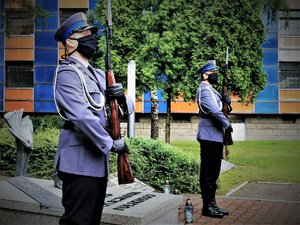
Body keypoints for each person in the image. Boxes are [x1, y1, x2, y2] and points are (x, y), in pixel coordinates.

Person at [53, 12, 134, 225]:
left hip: (98, 163)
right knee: (77, 221)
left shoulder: (98, 73)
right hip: (78, 163)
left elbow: (128, 107)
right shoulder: (67, 74)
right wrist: (110, 144)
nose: (91, 38)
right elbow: (81, 117)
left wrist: (121, 98)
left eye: (91, 33)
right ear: (70, 42)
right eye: (85, 33)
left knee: (92, 221)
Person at [196, 60, 232, 218]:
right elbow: (215, 112)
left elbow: (221, 109)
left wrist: (227, 104)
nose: (215, 75)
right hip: (209, 136)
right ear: (205, 75)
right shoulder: (204, 90)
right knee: (208, 173)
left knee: (214, 172)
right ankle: (207, 206)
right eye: (213, 72)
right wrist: (227, 124)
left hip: (215, 136)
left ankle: (212, 203)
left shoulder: (212, 90)